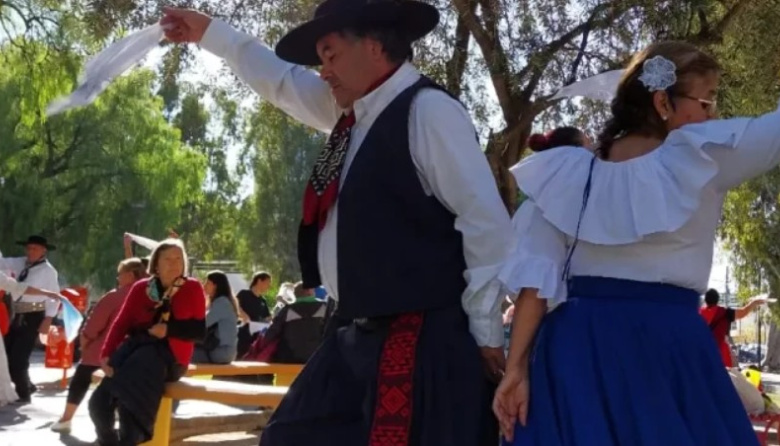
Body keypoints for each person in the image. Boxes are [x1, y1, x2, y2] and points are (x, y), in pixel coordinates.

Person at [162, 1, 513, 444]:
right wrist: (210, 32)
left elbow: (486, 223)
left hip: (419, 335)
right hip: (355, 331)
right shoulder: (351, 117)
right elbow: (283, 82)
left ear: (372, 46)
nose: (323, 72)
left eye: (330, 56)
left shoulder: (427, 111)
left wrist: (485, 333)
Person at [495, 41, 771, 445]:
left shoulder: (569, 173)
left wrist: (516, 369)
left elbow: (536, 282)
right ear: (663, 102)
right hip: (666, 345)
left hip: (576, 351)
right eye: (707, 102)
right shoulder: (703, 155)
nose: (713, 115)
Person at [88, 239, 206, 445]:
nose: (174, 263)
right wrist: (106, 354)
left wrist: (168, 330)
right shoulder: (141, 288)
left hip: (171, 359)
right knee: (98, 404)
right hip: (134, 353)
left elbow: (199, 331)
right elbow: (121, 323)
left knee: (129, 405)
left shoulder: (193, 288)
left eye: (179, 258)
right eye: (168, 259)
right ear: (156, 264)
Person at [50, 258, 147, 433]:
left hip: (102, 351)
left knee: (80, 381)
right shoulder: (147, 297)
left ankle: (66, 419)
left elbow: (94, 325)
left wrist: (84, 343)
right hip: (133, 353)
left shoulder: (114, 297)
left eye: (120, 274)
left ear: (130, 275)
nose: (118, 278)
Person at [2, 235, 60, 404]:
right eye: (28, 248)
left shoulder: (49, 271)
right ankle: (27, 384)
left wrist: (48, 319)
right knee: (6, 353)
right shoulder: (20, 262)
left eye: (34, 248)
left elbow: (54, 296)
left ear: (43, 251)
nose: (30, 252)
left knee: (19, 357)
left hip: (34, 315)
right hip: (16, 314)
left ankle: (23, 392)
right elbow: (3, 263)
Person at [700, 288, 768, 368]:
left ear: (705, 300)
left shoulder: (698, 313)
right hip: (721, 355)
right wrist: (754, 303)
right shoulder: (725, 313)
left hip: (702, 355)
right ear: (717, 300)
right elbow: (743, 312)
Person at [262, 282, 327, 364]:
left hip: (290, 359)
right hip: (319, 358)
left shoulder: (287, 310)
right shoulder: (326, 307)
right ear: (309, 292)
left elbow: (270, 334)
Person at [192, 270, 240, 364]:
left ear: (216, 286)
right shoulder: (224, 301)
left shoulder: (222, 303)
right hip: (223, 350)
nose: (204, 285)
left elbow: (202, 323)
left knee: (183, 354)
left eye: (208, 283)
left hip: (221, 352)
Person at [236, 271, 272, 358]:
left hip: (256, 339)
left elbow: (267, 318)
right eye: (268, 283)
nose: (269, 286)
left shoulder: (263, 301)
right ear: (259, 281)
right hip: (241, 336)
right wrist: (243, 315)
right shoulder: (244, 294)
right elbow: (234, 306)